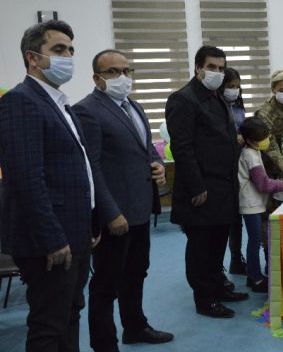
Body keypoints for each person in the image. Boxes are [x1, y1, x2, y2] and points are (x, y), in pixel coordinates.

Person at [0, 20, 101, 351]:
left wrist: (90, 221)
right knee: (49, 324)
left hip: (75, 231)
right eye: (58, 50)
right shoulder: (21, 101)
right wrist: (52, 238)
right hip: (49, 239)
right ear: (32, 58)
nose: (68, 57)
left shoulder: (59, 102)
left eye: (71, 50)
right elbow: (25, 178)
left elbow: (77, 169)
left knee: (70, 312)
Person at [72, 49, 173, 350]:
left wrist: (157, 164)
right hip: (114, 214)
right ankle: (105, 344)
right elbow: (92, 166)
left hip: (140, 207)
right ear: (97, 78)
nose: (122, 77)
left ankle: (135, 327)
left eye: (126, 71)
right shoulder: (87, 110)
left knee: (136, 272)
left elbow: (146, 147)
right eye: (113, 72)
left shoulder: (134, 105)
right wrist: (110, 213)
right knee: (106, 283)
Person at [165, 46, 248, 319]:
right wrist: (197, 186)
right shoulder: (183, 99)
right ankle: (204, 298)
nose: (217, 72)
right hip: (201, 188)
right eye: (212, 67)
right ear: (198, 68)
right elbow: (182, 148)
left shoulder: (217, 97)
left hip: (223, 186)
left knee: (218, 242)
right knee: (201, 246)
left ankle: (218, 287)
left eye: (221, 68)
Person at [238, 117, 283, 293]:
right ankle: (255, 278)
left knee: (255, 240)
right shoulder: (250, 156)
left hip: (255, 202)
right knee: (255, 241)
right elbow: (263, 184)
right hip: (250, 204)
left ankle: (254, 275)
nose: (266, 140)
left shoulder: (252, 151)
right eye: (262, 138)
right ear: (250, 140)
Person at [220, 67, 247, 275]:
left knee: (238, 217)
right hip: (223, 167)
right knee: (225, 218)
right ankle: (222, 263)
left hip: (241, 165)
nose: (234, 90)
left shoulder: (238, 106)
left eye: (237, 86)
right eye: (230, 86)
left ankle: (237, 258)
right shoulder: (215, 106)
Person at [255, 69, 283, 181]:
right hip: (273, 167)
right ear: (273, 89)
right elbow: (271, 148)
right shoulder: (264, 114)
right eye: (282, 90)